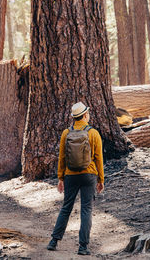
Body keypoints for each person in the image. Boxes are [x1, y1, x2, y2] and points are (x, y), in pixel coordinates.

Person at [47, 102, 104, 255]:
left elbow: (62, 157)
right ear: (85, 115)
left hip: (70, 175)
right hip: (89, 175)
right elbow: (99, 158)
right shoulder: (93, 133)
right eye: (88, 113)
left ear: (74, 118)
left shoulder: (66, 133)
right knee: (86, 209)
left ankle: (53, 241)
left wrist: (60, 178)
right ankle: (83, 247)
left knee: (66, 208)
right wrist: (101, 180)